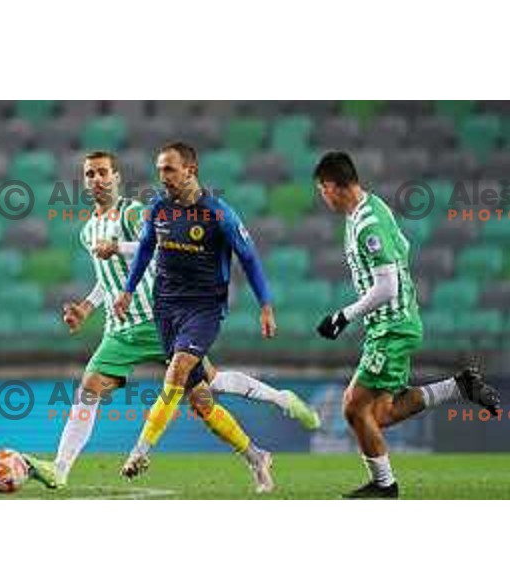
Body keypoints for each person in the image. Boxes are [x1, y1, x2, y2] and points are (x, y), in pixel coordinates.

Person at [25, 150, 319, 492]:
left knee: (205, 396)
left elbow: (159, 246)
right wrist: (87, 308)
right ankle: (59, 469)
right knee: (87, 390)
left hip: (157, 317)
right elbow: (107, 280)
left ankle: (273, 416)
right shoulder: (89, 229)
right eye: (90, 174)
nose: (97, 180)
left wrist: (118, 246)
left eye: (104, 172)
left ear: (117, 177)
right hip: (119, 330)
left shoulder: (134, 213)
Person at [314, 151, 501, 499]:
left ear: (332, 186)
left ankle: (385, 486)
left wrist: (342, 317)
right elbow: (405, 247)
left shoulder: (368, 222)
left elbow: (388, 287)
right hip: (390, 323)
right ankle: (459, 387)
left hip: (392, 327)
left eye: (322, 190)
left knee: (353, 407)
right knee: (379, 414)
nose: (322, 197)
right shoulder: (371, 209)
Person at [114, 142, 282, 492]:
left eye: (170, 170)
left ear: (191, 170)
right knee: (202, 403)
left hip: (204, 309)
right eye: (160, 170)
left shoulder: (218, 214)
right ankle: (256, 455)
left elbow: (249, 259)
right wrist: (128, 290)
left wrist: (265, 305)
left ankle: (140, 451)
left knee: (176, 371)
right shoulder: (158, 208)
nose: (163, 177)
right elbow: (146, 249)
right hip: (166, 309)